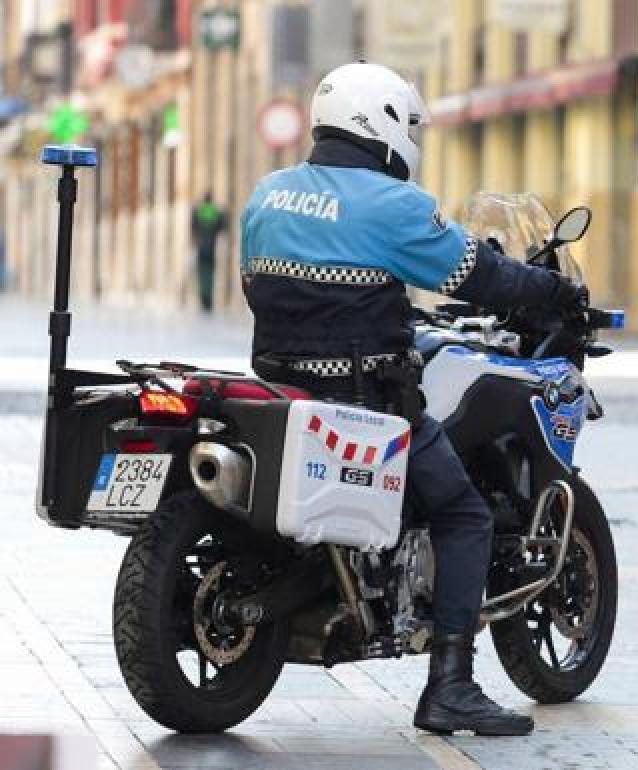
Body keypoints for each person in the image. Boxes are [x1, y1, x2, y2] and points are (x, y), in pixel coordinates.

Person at [239, 61, 583, 736]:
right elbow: (477, 276)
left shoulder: (268, 193)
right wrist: (556, 293)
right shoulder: (395, 205)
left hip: (281, 389)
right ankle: (451, 686)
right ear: (387, 125)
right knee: (464, 515)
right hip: (368, 400)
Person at [191, 192, 227, 312]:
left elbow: (193, 226)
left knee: (202, 274)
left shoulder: (199, 211)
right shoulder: (215, 212)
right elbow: (222, 226)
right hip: (212, 248)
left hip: (201, 248)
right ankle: (209, 300)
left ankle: (203, 298)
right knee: (210, 274)